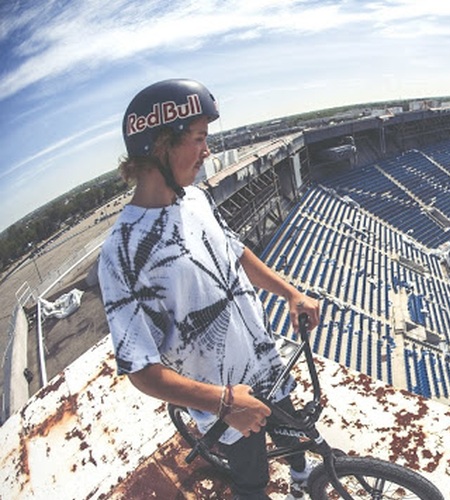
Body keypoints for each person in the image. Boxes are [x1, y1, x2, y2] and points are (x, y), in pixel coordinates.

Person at [98, 78, 321, 499]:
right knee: (251, 481)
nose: (207, 150)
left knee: (296, 433)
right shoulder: (121, 252)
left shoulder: (195, 199)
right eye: (199, 139)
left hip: (265, 364)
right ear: (161, 144)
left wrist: (290, 292)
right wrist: (224, 403)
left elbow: (233, 252)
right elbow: (140, 369)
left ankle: (301, 471)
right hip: (225, 403)